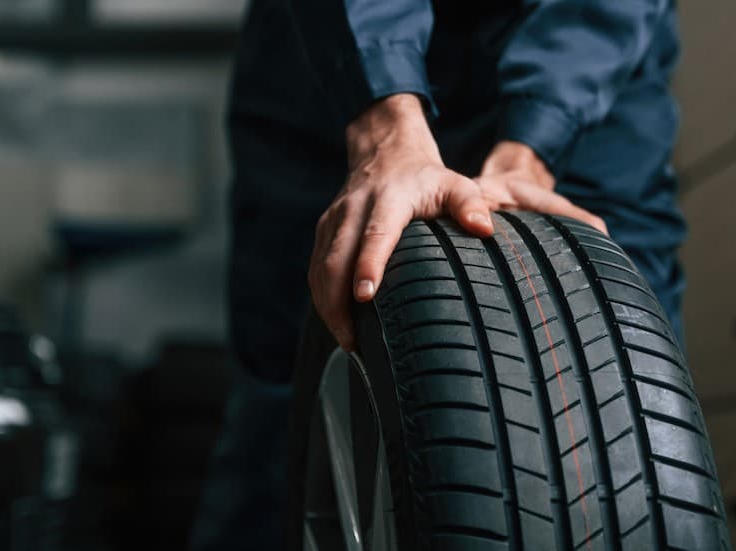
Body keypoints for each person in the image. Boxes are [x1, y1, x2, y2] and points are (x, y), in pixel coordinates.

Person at [190, 1, 686, 549]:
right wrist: (384, 123)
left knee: (621, 403)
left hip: (591, 79)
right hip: (329, 61)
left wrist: (538, 142)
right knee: (286, 417)